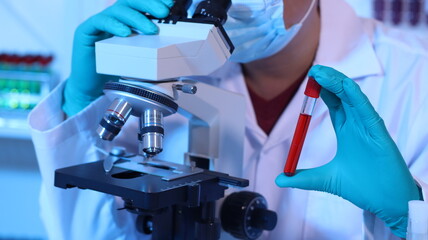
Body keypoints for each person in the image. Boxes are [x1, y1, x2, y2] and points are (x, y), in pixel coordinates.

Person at [29, 0, 428, 239]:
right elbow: (83, 232)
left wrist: (413, 217)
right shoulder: (172, 65)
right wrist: (79, 105)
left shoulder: (415, 80)